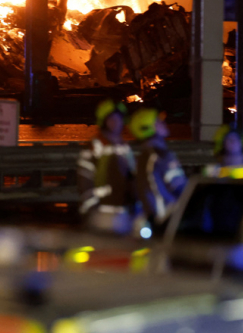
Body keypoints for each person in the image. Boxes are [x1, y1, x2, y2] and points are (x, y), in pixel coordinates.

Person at [77, 99, 137, 234]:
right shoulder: (94, 147)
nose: (116, 123)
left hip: (124, 213)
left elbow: (133, 177)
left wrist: (136, 207)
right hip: (102, 214)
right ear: (103, 121)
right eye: (111, 119)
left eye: (119, 119)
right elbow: (85, 181)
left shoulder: (124, 147)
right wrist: (92, 210)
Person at [129, 108, 187, 226]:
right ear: (148, 128)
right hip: (169, 219)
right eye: (158, 121)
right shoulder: (160, 157)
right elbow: (180, 188)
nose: (164, 123)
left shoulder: (144, 157)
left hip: (155, 219)